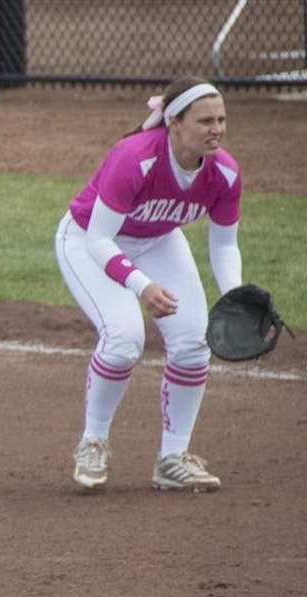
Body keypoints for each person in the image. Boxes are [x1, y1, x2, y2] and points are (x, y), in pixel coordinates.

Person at [55, 77, 244, 492]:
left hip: (157, 240)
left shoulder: (225, 174)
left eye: (222, 120)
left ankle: (172, 459)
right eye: (205, 120)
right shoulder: (135, 157)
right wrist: (141, 286)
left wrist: (234, 295)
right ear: (174, 122)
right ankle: (93, 442)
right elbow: (99, 239)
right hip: (88, 241)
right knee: (124, 338)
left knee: (194, 342)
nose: (217, 129)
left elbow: (224, 244)